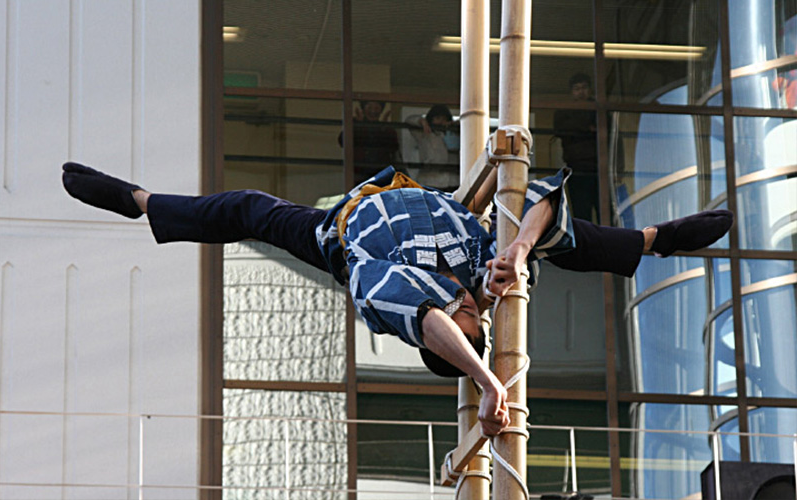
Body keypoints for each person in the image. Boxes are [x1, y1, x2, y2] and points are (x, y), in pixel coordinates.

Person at [61, 162, 733, 436]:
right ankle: (653, 240)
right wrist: (518, 253)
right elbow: (541, 202)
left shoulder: (397, 297)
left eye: (473, 324)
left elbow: (428, 318)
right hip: (434, 207)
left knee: (250, 210)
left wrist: (485, 381)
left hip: (348, 229)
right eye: (479, 322)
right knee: (566, 242)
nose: (480, 313)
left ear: (458, 329)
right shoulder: (485, 267)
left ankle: (140, 202)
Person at [553, 73, 600, 222]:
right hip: (576, 168)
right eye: (577, 89)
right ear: (571, 92)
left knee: (605, 213)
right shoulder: (564, 111)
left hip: (600, 169)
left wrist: (578, 130)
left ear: (590, 90)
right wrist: (587, 128)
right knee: (581, 213)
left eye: (584, 88)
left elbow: (608, 133)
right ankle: (586, 243)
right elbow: (561, 130)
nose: (581, 92)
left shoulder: (599, 109)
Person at [337, 101, 400, 184]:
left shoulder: (385, 129)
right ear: (363, 109)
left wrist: (386, 128)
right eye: (369, 107)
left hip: (380, 175)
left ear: (381, 111)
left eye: (376, 108)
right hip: (359, 175)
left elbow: (394, 147)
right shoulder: (356, 126)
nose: (373, 111)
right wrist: (357, 125)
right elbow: (342, 141)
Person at [404, 104, 459, 189]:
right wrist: (422, 121)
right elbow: (408, 120)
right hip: (429, 180)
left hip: (452, 182)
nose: (441, 122)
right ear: (430, 119)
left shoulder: (453, 133)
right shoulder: (424, 134)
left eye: (444, 119)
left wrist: (455, 126)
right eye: (438, 119)